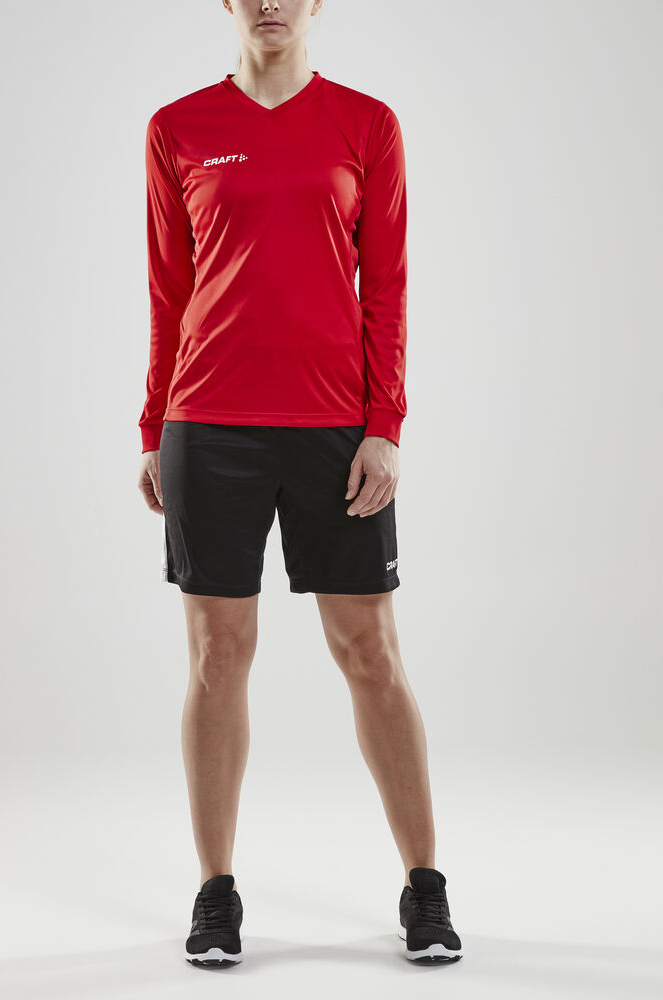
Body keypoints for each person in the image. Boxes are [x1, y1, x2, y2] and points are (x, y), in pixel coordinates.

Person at [137, 0, 463, 968]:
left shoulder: (366, 125)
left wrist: (385, 425)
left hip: (334, 431)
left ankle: (425, 883)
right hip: (210, 425)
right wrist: (154, 425)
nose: (271, 2)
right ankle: (216, 892)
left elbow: (387, 286)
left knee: (370, 651)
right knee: (216, 657)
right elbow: (167, 289)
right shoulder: (177, 129)